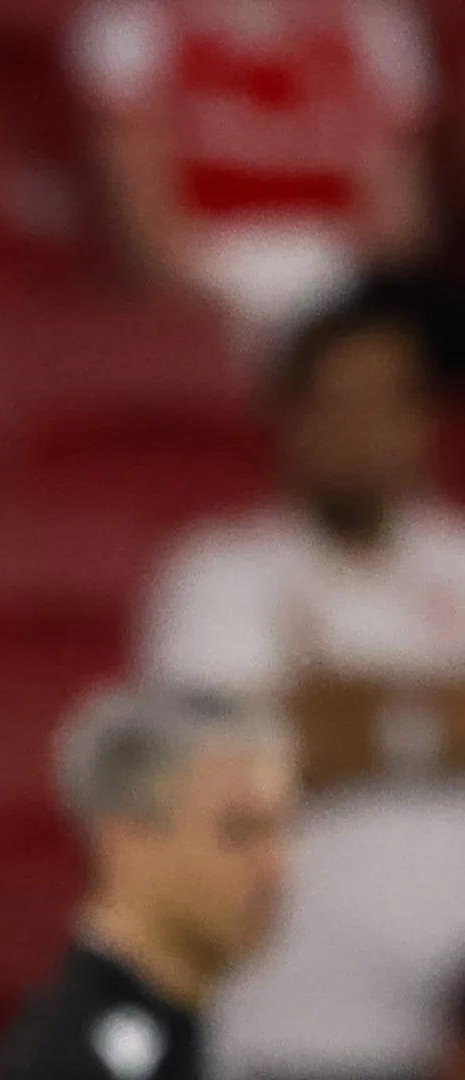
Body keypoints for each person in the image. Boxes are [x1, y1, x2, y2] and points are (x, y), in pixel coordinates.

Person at [142, 294, 465, 1080]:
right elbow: (240, 765)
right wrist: (439, 720)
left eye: (387, 402)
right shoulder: (220, 573)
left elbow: (315, 733)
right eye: (335, 403)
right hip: (291, 1033)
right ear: (285, 417)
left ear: (425, 420)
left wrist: (349, 715)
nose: (361, 432)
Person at [71, 0, 436, 354]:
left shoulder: (371, 21)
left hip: (343, 278)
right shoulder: (136, 21)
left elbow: (399, 223)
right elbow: (146, 227)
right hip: (210, 278)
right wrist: (213, 312)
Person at [0, 687, 299, 1080]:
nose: (276, 867)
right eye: (238, 832)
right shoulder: (72, 1061)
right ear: (124, 845)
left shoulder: (174, 1029)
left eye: (282, 829)